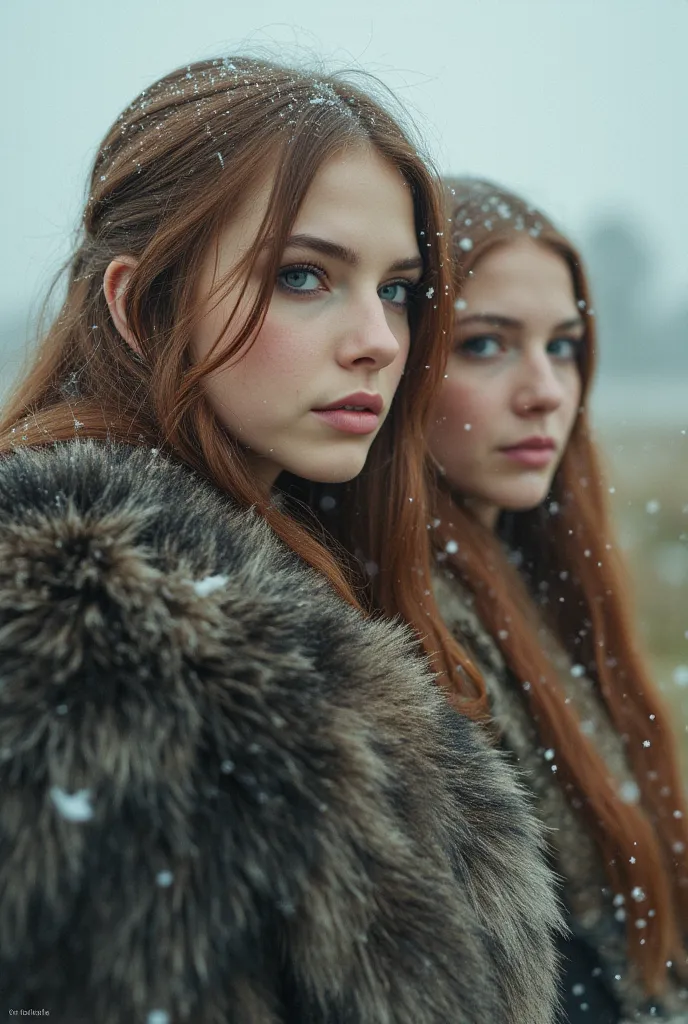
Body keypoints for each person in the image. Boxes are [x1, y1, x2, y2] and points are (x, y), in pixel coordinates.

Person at [0, 64, 561, 1024]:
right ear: (141, 308)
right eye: (304, 276)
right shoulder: (88, 642)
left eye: (397, 289)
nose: (381, 339)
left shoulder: (308, 579)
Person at [428, 176, 688, 1023]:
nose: (545, 389)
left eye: (565, 345)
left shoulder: (537, 580)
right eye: (484, 345)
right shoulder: (400, 642)